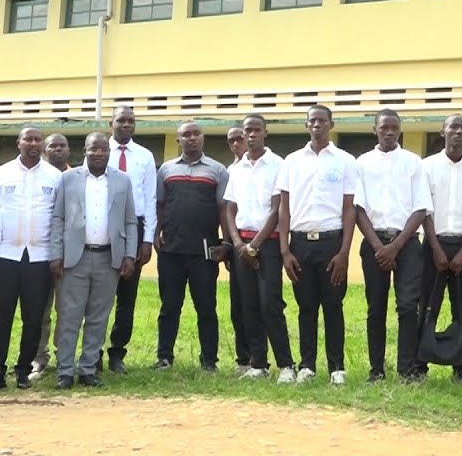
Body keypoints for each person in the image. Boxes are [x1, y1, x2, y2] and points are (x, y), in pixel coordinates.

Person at [49, 132, 138, 389]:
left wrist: (129, 255)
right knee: (69, 315)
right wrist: (56, 254)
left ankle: (88, 368)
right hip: (74, 258)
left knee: (99, 316)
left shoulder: (122, 181)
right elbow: (58, 218)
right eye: (93, 149)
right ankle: (65, 370)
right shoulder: (68, 179)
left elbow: (130, 221)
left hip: (108, 258)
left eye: (103, 150)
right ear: (84, 151)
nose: (99, 154)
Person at [277, 105, 358, 385]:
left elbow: (350, 209)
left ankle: (337, 368)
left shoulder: (345, 161)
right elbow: (283, 208)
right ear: (306, 125)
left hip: (332, 242)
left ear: (331, 125)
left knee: (333, 306)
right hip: (300, 243)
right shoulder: (291, 161)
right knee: (306, 307)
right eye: (312, 121)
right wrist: (285, 250)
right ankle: (307, 366)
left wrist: (344, 252)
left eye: (322, 121)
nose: (317, 125)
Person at [354, 109, 432, 383]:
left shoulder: (413, 162)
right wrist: (379, 247)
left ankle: (406, 368)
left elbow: (421, 208)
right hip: (373, 242)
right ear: (374, 129)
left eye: (394, 128)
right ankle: (376, 369)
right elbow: (358, 209)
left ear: (400, 131)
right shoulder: (361, 163)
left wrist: (395, 247)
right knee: (376, 307)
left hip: (407, 243)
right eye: (384, 127)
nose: (389, 132)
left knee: (408, 306)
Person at [0, 127, 62, 393]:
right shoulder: (2, 174)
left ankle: (22, 371)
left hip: (40, 258)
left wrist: (56, 255)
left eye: (37, 139)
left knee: (34, 318)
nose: (33, 143)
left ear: (42, 144)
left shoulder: (55, 177)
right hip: (5, 255)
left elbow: (58, 218)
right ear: (18, 143)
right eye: (27, 138)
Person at [153, 121, 230, 371]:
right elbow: (160, 205)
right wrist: (155, 234)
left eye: (196, 134)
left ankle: (209, 361)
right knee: (169, 307)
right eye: (186, 134)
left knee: (206, 308)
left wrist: (226, 243)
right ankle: (164, 357)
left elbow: (224, 210)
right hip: (171, 250)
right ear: (178, 140)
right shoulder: (165, 170)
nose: (192, 138)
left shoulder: (218, 171)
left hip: (204, 251)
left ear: (203, 138)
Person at [222, 115, 294, 382]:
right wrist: (239, 243)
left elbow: (278, 209)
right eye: (247, 130)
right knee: (248, 304)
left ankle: (286, 365)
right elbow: (230, 208)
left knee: (270, 304)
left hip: (269, 244)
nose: (251, 135)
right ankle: (258, 363)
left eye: (256, 130)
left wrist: (255, 245)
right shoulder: (236, 169)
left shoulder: (278, 165)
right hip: (242, 244)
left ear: (266, 133)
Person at [418, 114, 462, 385]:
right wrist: (435, 248)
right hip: (433, 244)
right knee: (426, 306)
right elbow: (423, 208)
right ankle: (419, 365)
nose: (458, 132)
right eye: (453, 127)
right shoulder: (427, 166)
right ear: (442, 131)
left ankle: (460, 369)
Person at [104, 105, 158, 374]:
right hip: (103, 227)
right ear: (110, 123)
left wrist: (147, 239)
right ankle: (93, 352)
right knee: (99, 295)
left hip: (134, 228)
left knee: (127, 296)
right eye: (121, 120)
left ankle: (117, 353)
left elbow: (149, 200)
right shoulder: (99, 150)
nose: (126, 125)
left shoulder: (145, 156)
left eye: (131, 121)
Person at [30, 132, 72, 380]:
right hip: (39, 254)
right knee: (40, 310)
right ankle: (39, 357)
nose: (58, 149)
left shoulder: (76, 178)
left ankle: (64, 357)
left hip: (69, 256)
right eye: (52, 146)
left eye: (62, 145)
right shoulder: (36, 176)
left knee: (67, 310)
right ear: (45, 151)